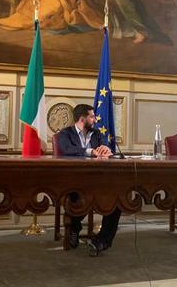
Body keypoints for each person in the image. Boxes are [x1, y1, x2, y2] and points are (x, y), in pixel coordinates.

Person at [56, 104, 120, 257]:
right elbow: (67, 150)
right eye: (92, 117)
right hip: (74, 181)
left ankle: (101, 241)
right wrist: (91, 151)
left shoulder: (97, 134)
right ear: (82, 119)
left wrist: (106, 150)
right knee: (77, 198)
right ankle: (74, 230)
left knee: (117, 200)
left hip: (98, 181)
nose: (95, 120)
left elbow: (103, 147)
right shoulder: (65, 134)